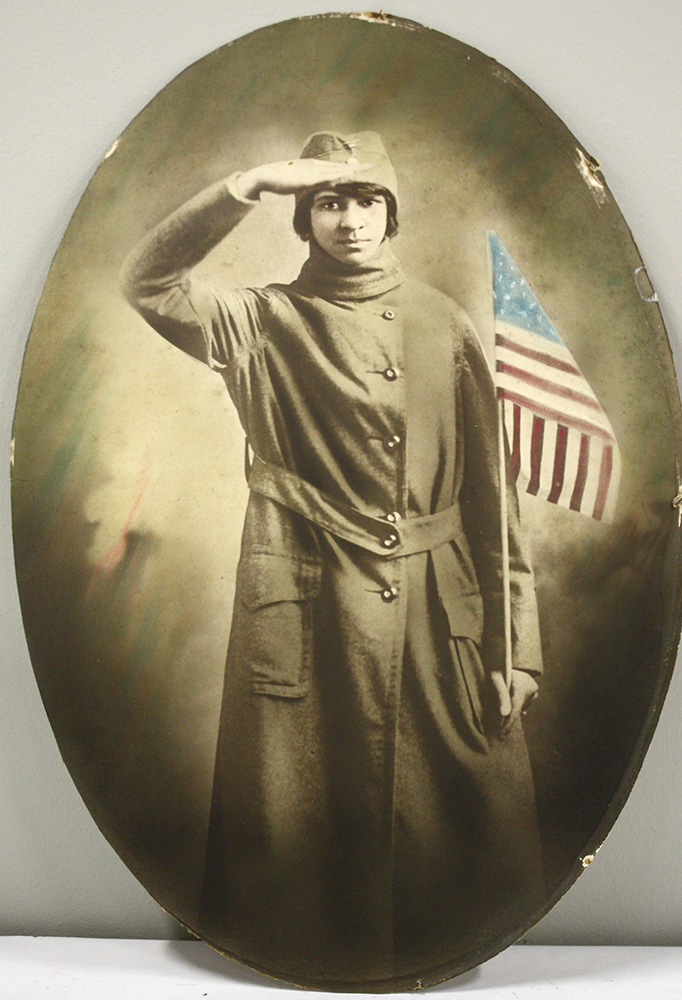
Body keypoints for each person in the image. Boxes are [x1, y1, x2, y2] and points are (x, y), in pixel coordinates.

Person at [121, 131, 544, 989]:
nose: (349, 220)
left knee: (467, 833)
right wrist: (248, 182)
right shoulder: (261, 319)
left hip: (435, 610)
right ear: (302, 217)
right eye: (327, 201)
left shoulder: (440, 321)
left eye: (365, 201)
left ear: (390, 215)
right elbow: (147, 283)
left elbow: (490, 501)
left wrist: (517, 645)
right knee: (297, 818)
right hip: (307, 604)